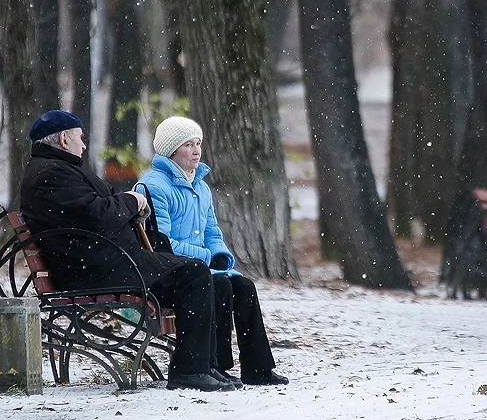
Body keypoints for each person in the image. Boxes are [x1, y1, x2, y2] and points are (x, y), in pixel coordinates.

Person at [19, 110, 236, 392]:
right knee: (193, 272)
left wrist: (127, 206)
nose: (83, 145)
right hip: (94, 270)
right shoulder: (51, 174)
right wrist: (132, 201)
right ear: (63, 139)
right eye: (80, 139)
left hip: (105, 262)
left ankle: (207, 367)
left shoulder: (57, 170)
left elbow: (95, 210)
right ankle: (189, 371)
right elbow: (96, 214)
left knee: (212, 279)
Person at [135, 116, 288, 386]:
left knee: (243, 286)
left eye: (198, 144)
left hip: (198, 268)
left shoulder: (201, 187)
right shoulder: (153, 186)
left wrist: (220, 255)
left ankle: (258, 368)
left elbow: (212, 231)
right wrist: (206, 258)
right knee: (220, 286)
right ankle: (217, 365)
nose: (196, 151)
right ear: (171, 150)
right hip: (168, 272)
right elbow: (161, 244)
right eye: (187, 145)